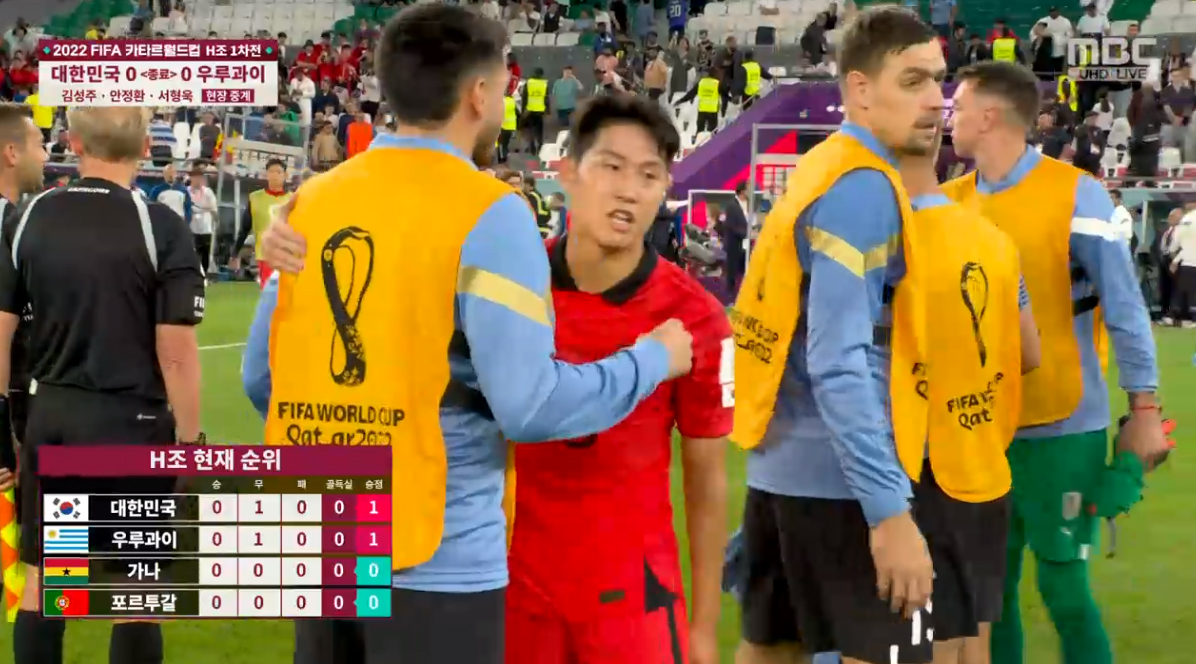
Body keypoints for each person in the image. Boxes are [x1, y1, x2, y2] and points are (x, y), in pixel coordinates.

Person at [240, 6, 694, 664]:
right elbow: (529, 405)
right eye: (505, 87)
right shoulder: (490, 212)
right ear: (479, 94)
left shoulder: (315, 200)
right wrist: (649, 360)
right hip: (438, 559)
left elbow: (263, 380)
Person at [730, 8, 943, 664]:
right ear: (859, 89)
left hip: (781, 467)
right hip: (843, 484)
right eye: (913, 81)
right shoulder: (863, 188)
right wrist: (887, 512)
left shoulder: (821, 165)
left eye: (940, 79)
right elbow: (838, 360)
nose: (936, 100)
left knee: (770, 649)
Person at [942, 61, 1166, 664]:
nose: (948, 117)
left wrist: (1145, 407)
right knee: (989, 599)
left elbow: (1125, 306)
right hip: (977, 428)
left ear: (990, 117)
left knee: (1063, 588)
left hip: (1063, 424)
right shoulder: (947, 202)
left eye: (959, 107)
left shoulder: (1075, 193)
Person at [505, 96, 730, 664]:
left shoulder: (698, 318)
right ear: (568, 173)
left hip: (635, 601)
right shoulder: (509, 292)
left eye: (649, 175)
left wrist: (703, 629)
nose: (629, 190)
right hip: (515, 593)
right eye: (611, 167)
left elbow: (707, 483)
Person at [0, 106, 205, 664]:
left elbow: (2, 332)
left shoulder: (31, 216)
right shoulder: (158, 224)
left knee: (51, 580)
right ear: (146, 148)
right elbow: (176, 353)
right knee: (136, 588)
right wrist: (192, 443)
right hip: (130, 426)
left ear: (73, 143)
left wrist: (2, 427)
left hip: (54, 420)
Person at [894, 125, 1041, 664]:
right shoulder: (993, 240)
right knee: (972, 634)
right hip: (982, 461)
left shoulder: (886, 241)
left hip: (917, 464)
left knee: (917, 639)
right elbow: (1029, 352)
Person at [0, 104, 49, 498]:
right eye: (39, 144)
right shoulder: (10, 224)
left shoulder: (18, 218)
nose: (46, 155)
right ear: (12, 153)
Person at [229, 158, 292, 286]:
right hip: (265, 255)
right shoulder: (255, 198)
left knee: (287, 293)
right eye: (271, 172)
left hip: (288, 256)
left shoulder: (293, 199)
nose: (274, 176)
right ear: (266, 174)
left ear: (285, 175)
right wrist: (235, 253)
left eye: (278, 172)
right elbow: (245, 228)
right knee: (269, 292)